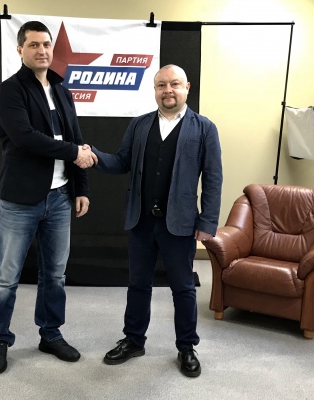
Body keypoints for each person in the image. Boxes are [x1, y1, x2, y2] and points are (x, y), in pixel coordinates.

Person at [90, 64, 223, 378]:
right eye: (161, 85)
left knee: (183, 288)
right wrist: (93, 155)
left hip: (180, 223)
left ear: (186, 88)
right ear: (155, 90)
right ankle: (134, 340)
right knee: (138, 284)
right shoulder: (139, 125)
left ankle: (187, 347)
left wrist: (207, 222)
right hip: (141, 221)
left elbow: (213, 178)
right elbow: (121, 161)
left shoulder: (204, 128)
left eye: (174, 84)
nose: (168, 90)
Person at [0, 21, 97, 375]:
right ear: (20, 50)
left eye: (46, 44)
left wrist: (81, 188)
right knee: (7, 276)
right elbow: (25, 138)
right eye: (33, 45)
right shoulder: (10, 91)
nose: (42, 50)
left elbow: (76, 138)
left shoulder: (62, 90)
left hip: (60, 198)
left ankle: (50, 334)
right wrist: (74, 152)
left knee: (55, 275)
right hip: (21, 201)